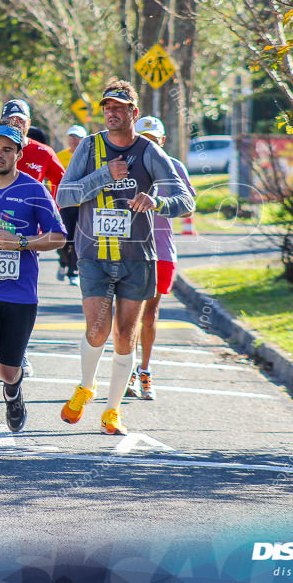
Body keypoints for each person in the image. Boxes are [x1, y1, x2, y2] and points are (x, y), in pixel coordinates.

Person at [55, 80, 194, 435]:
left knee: (125, 335)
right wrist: (104, 176)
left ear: (134, 112)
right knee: (98, 329)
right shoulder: (89, 148)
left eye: (119, 108)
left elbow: (186, 200)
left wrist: (157, 201)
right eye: (107, 108)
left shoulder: (149, 151)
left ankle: (112, 411)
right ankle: (86, 386)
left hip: (137, 256)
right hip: (95, 254)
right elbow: (64, 196)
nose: (112, 113)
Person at [0, 124, 66, 457]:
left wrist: (22, 242)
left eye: (8, 149)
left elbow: (58, 236)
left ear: (19, 155)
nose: (0, 154)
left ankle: (13, 391)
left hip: (20, 294)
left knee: (8, 369)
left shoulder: (34, 190)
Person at [0, 99, 64, 377]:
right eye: (12, 119)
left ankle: (17, 360)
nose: (17, 123)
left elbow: (63, 181)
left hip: (23, 270)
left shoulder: (42, 154)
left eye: (21, 120)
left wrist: (49, 204)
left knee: (9, 369)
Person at [124, 116, 196, 401]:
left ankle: (144, 371)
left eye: (154, 141)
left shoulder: (174, 168)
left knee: (150, 314)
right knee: (128, 317)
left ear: (162, 142)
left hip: (161, 251)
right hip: (129, 251)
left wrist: (159, 204)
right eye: (143, 140)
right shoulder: (124, 168)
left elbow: (188, 207)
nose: (148, 145)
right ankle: (126, 370)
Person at [56, 125, 88, 286]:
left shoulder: (89, 157)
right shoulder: (60, 157)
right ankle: (63, 261)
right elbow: (52, 180)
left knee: (78, 239)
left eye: (77, 138)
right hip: (64, 204)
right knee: (63, 237)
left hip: (83, 204)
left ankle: (72, 271)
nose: (74, 140)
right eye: (72, 137)